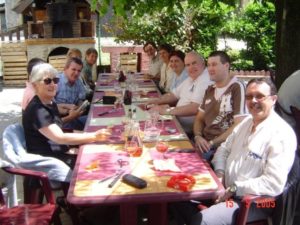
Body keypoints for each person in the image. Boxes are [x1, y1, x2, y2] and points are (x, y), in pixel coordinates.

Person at [171, 78, 297, 225]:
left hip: (252, 202)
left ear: (273, 99)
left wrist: (234, 188)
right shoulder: (246, 122)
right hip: (223, 189)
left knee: (203, 220)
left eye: (260, 96)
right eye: (249, 97)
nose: (253, 101)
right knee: (175, 197)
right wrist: (220, 174)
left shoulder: (281, 134)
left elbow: (273, 183)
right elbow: (223, 150)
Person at [22, 63, 110, 169]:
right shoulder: (37, 110)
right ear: (35, 85)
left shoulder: (49, 102)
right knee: (100, 162)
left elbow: (61, 130)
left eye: (55, 80)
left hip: (58, 149)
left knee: (101, 151)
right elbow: (60, 137)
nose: (53, 84)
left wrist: (89, 135)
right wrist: (94, 136)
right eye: (47, 81)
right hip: (48, 160)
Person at [193, 51, 246, 160]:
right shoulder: (210, 90)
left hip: (224, 147)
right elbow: (199, 118)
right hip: (205, 143)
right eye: (208, 65)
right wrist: (197, 136)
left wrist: (212, 143)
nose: (210, 69)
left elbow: (239, 124)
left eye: (214, 64)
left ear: (226, 66)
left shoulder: (236, 87)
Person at [147, 51, 213, 134]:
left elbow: (195, 108)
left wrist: (166, 110)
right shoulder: (192, 77)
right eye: (188, 65)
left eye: (194, 63)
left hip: (187, 130)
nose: (191, 67)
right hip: (176, 121)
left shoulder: (205, 80)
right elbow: (173, 95)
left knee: (150, 130)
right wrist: (155, 101)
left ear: (203, 64)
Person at [55, 57, 87, 130]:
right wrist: (68, 109)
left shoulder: (78, 82)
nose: (76, 73)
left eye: (79, 71)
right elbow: (50, 107)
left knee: (93, 119)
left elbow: (81, 99)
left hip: (74, 118)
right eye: (73, 69)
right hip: (60, 123)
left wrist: (80, 107)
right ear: (65, 69)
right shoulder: (56, 82)